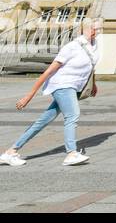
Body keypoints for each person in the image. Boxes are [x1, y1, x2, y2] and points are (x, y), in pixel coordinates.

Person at [0, 18, 101, 167]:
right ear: (83, 29)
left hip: (75, 87)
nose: (96, 31)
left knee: (43, 121)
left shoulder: (94, 45)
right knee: (72, 115)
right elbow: (48, 71)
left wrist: (94, 84)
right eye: (93, 28)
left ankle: (10, 152)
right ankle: (71, 154)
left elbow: (91, 65)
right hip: (61, 85)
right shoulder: (71, 47)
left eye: (98, 29)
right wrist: (29, 95)